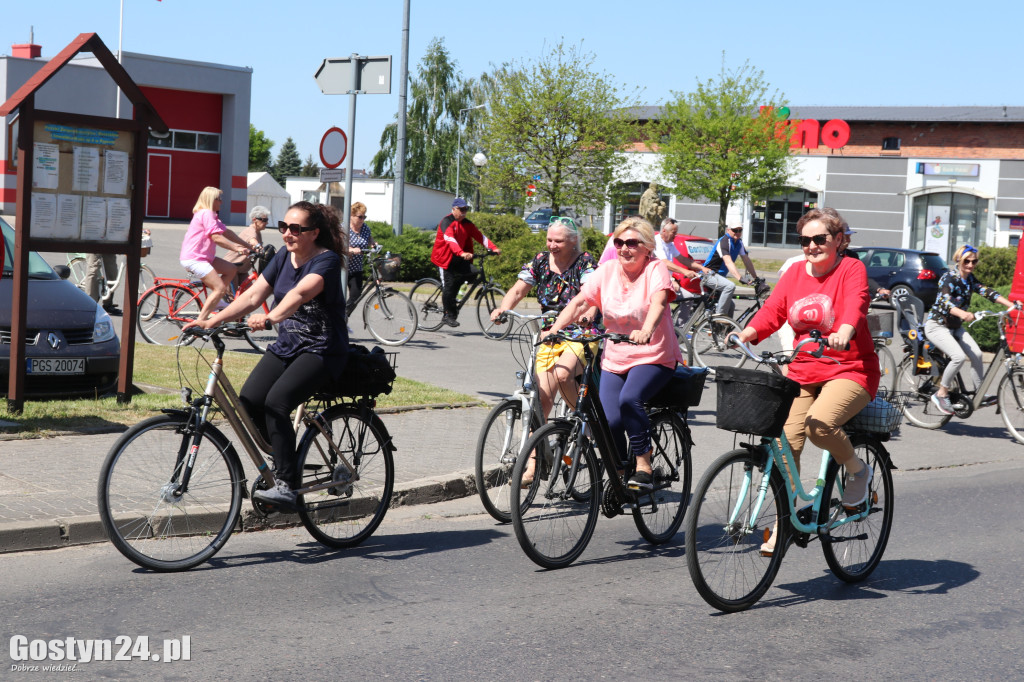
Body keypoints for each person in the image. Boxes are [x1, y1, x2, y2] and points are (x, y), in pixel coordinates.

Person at [734, 208, 881, 554]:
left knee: (820, 424)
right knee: (785, 444)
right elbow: (774, 310)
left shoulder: (851, 268)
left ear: (839, 240)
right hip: (804, 370)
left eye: (820, 239)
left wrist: (844, 331)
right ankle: (784, 522)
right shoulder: (796, 272)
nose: (812, 246)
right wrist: (748, 333)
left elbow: (855, 305)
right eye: (805, 240)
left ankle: (858, 472)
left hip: (851, 368)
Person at [185, 201, 349, 509]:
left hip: (323, 349)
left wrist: (271, 318)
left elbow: (302, 293)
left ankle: (287, 484)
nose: (287, 234)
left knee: (277, 402)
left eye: (296, 229)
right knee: (249, 401)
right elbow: (251, 295)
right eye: (283, 227)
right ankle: (286, 457)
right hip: (289, 346)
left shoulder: (325, 260)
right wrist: (210, 320)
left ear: (314, 233)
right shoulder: (283, 257)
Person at [545, 216, 684, 491]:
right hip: (616, 356)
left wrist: (646, 330)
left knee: (630, 399)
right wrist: (555, 328)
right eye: (619, 242)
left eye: (632, 243)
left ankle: (644, 463)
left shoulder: (656, 269)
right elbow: (579, 302)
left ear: (647, 247)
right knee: (608, 419)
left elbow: (658, 303)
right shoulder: (607, 270)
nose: (624, 248)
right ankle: (621, 470)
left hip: (652, 354)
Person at [489, 218, 599, 482]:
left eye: (558, 241)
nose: (552, 245)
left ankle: (587, 422)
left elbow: (592, 296)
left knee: (563, 375)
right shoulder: (539, 260)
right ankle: (533, 464)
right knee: (542, 401)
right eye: (549, 240)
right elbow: (518, 289)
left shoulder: (585, 262)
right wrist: (503, 307)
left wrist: (588, 315)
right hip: (549, 334)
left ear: (572, 240)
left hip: (580, 333)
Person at [924, 244, 1016, 415]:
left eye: (974, 262)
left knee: (977, 354)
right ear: (959, 260)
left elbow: (987, 292)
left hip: (954, 326)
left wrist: (1012, 305)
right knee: (958, 357)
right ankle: (941, 393)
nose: (971, 265)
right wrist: (962, 313)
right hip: (937, 325)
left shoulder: (970, 279)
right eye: (967, 261)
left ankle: (979, 394)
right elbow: (945, 302)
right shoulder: (948, 278)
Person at [179, 187, 253, 323]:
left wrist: (248, 245)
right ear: (210, 200)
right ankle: (200, 322)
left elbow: (227, 232)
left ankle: (216, 300)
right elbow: (216, 238)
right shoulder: (206, 213)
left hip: (204, 258)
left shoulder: (211, 215)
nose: (221, 202)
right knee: (219, 288)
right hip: (195, 259)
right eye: (219, 199)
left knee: (231, 269)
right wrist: (237, 249)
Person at [430, 197, 501, 327]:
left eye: (465, 209)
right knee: (448, 286)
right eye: (461, 209)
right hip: (444, 259)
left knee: (473, 273)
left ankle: (454, 294)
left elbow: (480, 236)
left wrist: (493, 248)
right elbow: (450, 239)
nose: (463, 212)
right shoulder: (447, 222)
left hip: (458, 258)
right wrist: (461, 252)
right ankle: (448, 315)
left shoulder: (467, 224)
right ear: (453, 209)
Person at [703, 223, 759, 316]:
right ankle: (719, 317)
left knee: (730, 306)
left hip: (720, 277)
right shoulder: (724, 241)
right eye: (735, 230)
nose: (737, 233)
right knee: (730, 286)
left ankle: (724, 329)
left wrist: (756, 277)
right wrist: (739, 278)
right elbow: (728, 262)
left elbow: (746, 260)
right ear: (728, 230)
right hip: (708, 274)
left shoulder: (739, 243)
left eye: (740, 230)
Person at [225, 205, 270, 289]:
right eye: (264, 220)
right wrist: (259, 247)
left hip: (242, 270)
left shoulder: (258, 232)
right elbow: (252, 241)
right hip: (232, 267)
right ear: (254, 220)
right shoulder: (250, 231)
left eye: (267, 220)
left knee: (250, 295)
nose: (267, 223)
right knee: (232, 298)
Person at [346, 201, 377, 316]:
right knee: (335, 298)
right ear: (351, 216)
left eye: (364, 217)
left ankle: (343, 317)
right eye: (360, 217)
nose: (362, 219)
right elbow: (337, 246)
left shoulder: (365, 228)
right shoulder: (344, 228)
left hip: (356, 268)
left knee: (355, 296)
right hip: (342, 268)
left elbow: (369, 239)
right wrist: (350, 249)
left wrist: (373, 244)